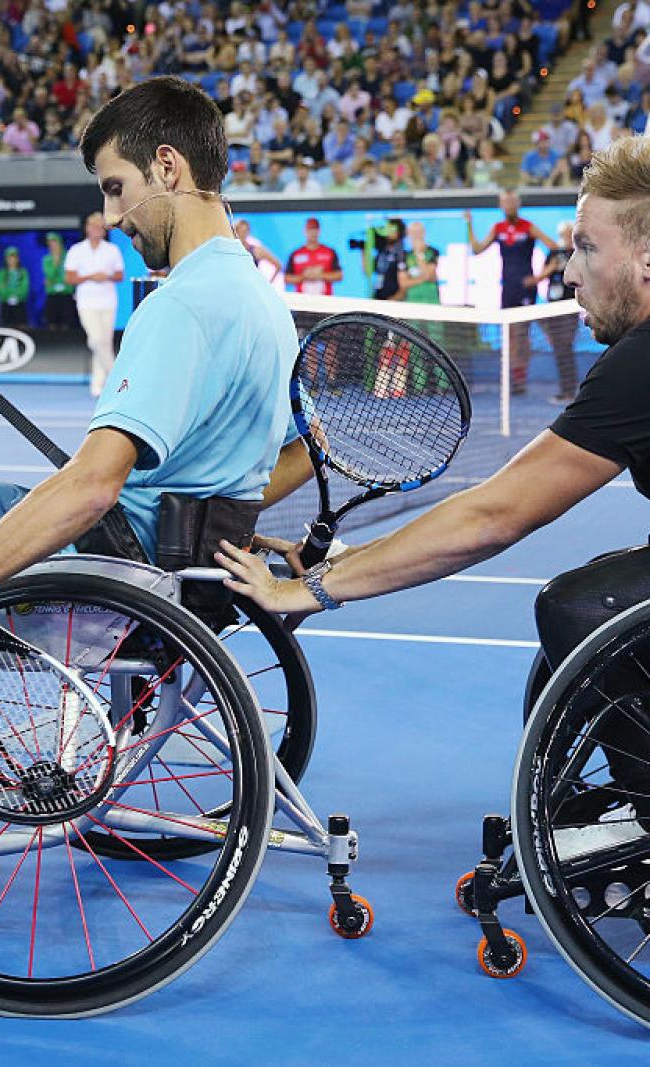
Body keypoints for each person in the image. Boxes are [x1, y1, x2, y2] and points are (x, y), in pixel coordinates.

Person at [0, 73, 314, 856]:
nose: (112, 217)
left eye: (117, 189)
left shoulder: (179, 305)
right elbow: (286, 457)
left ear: (169, 168)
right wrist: (227, 528)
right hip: (160, 553)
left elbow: (91, 484)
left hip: (103, 560)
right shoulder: (260, 298)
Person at [217, 135, 650, 837]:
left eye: (585, 248)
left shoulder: (639, 362)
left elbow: (494, 514)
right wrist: (340, 564)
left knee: (582, 607)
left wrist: (314, 587)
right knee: (587, 620)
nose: (568, 272)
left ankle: (645, 822)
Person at [464, 190, 556, 393]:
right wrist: (469, 224)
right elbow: (477, 249)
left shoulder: (528, 227)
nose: (509, 205)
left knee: (523, 334)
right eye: (505, 202)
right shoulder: (498, 228)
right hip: (507, 288)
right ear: (501, 205)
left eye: (512, 201)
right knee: (511, 336)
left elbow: (555, 249)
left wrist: (539, 277)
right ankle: (515, 377)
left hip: (526, 288)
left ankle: (520, 377)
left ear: (518, 203)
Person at [64, 211, 125, 397]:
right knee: (96, 340)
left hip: (108, 302)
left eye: (100, 226)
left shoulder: (112, 250)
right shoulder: (76, 250)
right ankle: (117, 377)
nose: (97, 229)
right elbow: (70, 277)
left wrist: (105, 276)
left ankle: (98, 386)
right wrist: (91, 276)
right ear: (87, 229)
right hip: (86, 302)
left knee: (104, 343)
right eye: (93, 226)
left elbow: (120, 275)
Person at [526, 220, 579, 403]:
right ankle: (566, 390)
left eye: (569, 233)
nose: (566, 236)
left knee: (565, 348)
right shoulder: (554, 253)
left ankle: (569, 390)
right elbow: (543, 275)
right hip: (552, 307)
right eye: (564, 233)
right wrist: (551, 267)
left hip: (569, 307)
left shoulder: (578, 253)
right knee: (559, 349)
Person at [284, 218, 343, 297]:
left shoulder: (329, 252)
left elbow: (339, 275)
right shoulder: (296, 254)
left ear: (319, 231)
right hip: (302, 301)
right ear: (305, 231)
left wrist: (320, 275)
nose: (312, 232)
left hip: (325, 301)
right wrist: (304, 276)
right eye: (310, 229)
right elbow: (286, 278)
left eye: (315, 229)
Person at [41, 231, 75, 329]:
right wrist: (55, 262)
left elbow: (69, 277)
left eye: (54, 242)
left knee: (68, 325)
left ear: (60, 243)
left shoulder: (69, 256)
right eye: (50, 243)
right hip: (52, 296)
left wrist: (53, 281)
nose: (52, 245)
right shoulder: (46, 259)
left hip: (67, 296)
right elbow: (49, 275)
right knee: (51, 324)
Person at [0, 246, 29, 327]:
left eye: (14, 257)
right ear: (6, 259)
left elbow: (24, 290)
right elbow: (1, 291)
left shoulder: (23, 272)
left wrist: (11, 292)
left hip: (20, 304)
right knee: (7, 329)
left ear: (18, 259)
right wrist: (10, 293)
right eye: (9, 258)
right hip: (6, 305)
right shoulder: (2, 273)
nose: (12, 260)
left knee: (22, 328)